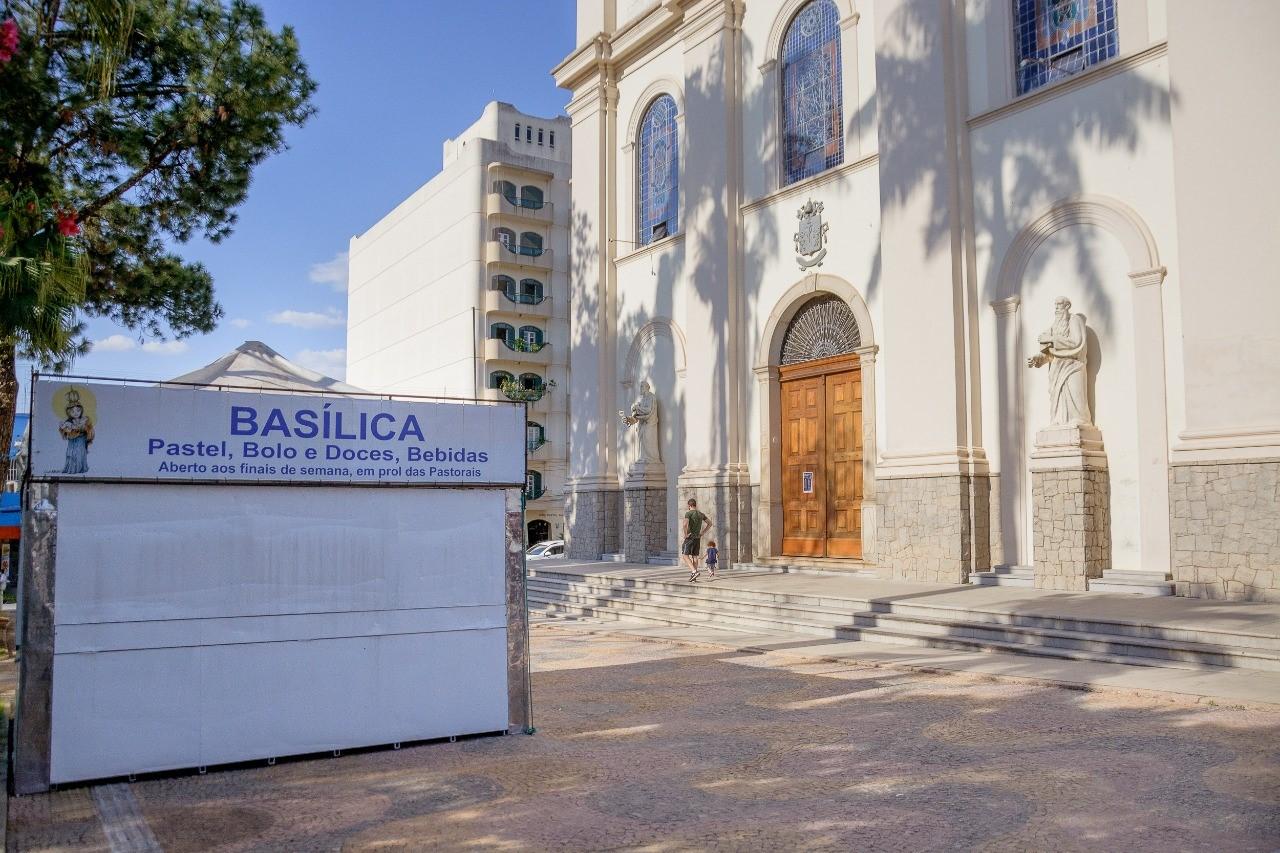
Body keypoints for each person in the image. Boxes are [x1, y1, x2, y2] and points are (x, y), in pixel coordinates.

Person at [680, 498, 712, 582]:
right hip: (698, 538)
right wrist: (702, 533)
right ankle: (694, 576)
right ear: (695, 505)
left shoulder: (689, 513)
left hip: (690, 537)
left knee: (685, 555)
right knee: (695, 556)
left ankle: (694, 571)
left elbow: (684, 524)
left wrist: (685, 534)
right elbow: (710, 523)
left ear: (689, 505)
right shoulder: (701, 514)